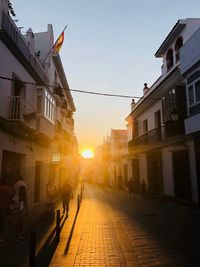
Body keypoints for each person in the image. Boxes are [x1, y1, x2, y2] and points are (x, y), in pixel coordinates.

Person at [12, 175, 28, 242]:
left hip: (17, 208)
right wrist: (26, 209)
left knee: (17, 222)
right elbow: (25, 197)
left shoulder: (15, 185)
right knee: (20, 221)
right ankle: (20, 235)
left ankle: (18, 236)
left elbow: (13, 194)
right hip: (21, 206)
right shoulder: (24, 184)